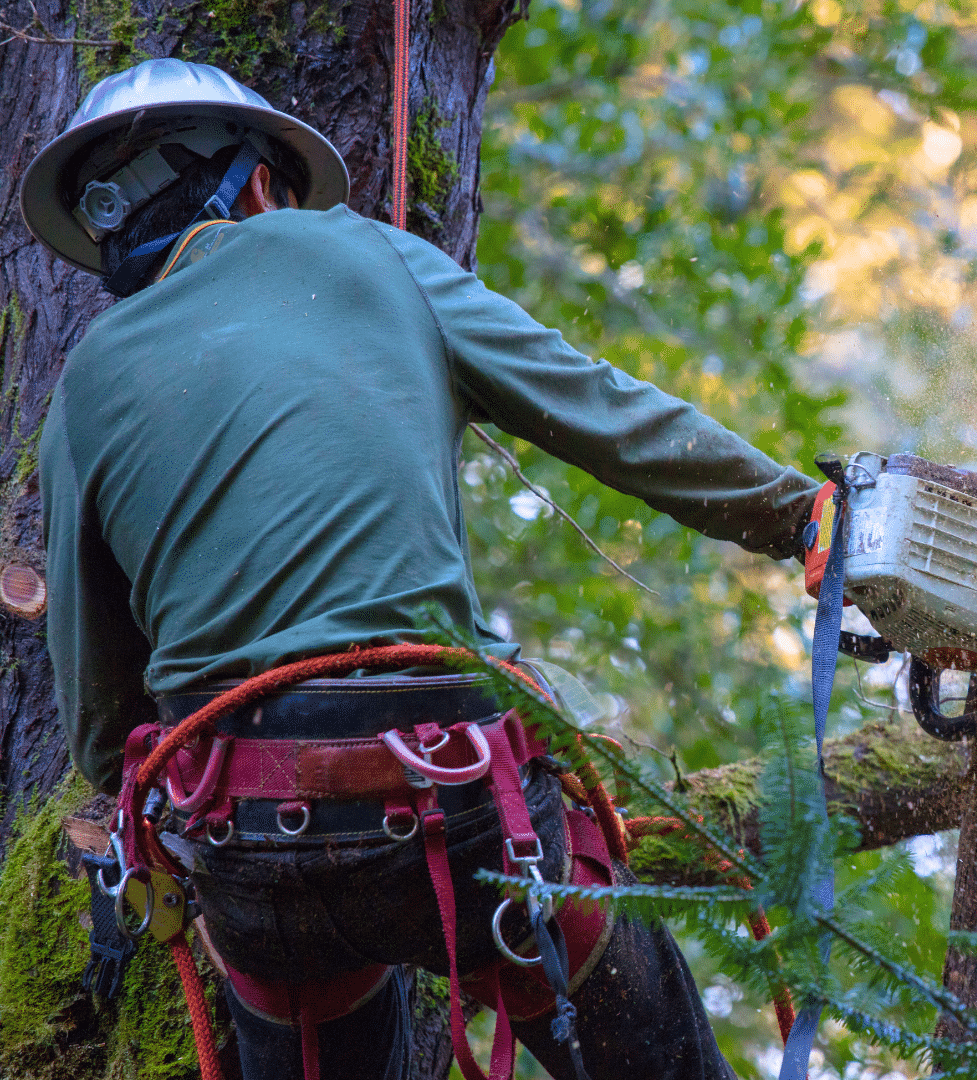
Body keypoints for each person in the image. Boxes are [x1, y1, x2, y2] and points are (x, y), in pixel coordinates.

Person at [21, 57, 820, 1080]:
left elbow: (99, 705)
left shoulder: (82, 384)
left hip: (249, 837)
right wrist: (799, 515)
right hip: (461, 801)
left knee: (301, 1001)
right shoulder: (372, 257)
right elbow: (604, 413)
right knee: (650, 1037)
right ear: (262, 182)